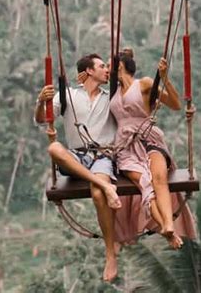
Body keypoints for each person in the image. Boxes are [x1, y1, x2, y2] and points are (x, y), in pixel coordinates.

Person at [34, 53, 121, 282]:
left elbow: (130, 88)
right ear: (89, 71)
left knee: (97, 194)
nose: (106, 70)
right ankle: (104, 184)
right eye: (102, 67)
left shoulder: (110, 96)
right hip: (78, 157)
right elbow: (42, 118)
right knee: (54, 149)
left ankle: (110, 254)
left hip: (103, 156)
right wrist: (41, 101)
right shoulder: (69, 95)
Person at [109, 48, 197, 248]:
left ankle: (168, 223)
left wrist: (164, 78)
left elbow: (174, 104)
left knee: (158, 178)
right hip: (125, 147)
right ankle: (166, 228)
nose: (108, 69)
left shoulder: (145, 83)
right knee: (144, 183)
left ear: (120, 66)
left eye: (110, 65)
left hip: (148, 138)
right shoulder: (113, 91)